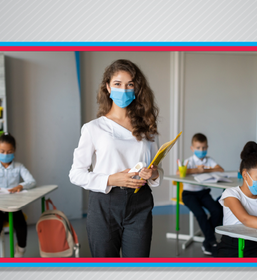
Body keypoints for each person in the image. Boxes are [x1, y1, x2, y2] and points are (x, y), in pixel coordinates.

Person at [69, 59, 163, 258]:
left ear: (137, 88)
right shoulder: (94, 128)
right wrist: (111, 179)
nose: (124, 89)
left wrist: (153, 173)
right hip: (105, 204)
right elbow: (76, 174)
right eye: (118, 84)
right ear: (108, 87)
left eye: (130, 84)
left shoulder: (147, 127)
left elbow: (157, 168)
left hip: (140, 202)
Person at [0, 132, 36, 258]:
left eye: (9, 151)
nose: (6, 154)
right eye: (2, 151)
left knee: (21, 225)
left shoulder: (19, 166)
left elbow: (32, 181)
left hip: (11, 204)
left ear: (14, 151)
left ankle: (20, 250)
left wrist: (21, 186)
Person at [177, 133, 223, 256]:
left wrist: (205, 170)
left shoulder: (209, 160)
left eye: (203, 148)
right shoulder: (189, 161)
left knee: (217, 210)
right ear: (192, 148)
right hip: (189, 194)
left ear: (207, 147)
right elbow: (179, 172)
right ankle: (212, 241)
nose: (201, 150)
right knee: (201, 214)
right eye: (198, 148)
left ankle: (206, 240)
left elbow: (220, 169)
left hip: (203, 193)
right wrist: (197, 170)